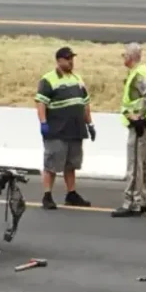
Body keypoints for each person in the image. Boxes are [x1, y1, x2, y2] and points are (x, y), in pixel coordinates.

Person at [35, 46, 95, 210]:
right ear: (59, 60)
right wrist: (43, 123)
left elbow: (85, 103)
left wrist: (90, 124)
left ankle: (71, 193)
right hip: (57, 131)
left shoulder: (77, 79)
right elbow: (41, 103)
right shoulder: (48, 80)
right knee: (52, 164)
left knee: (71, 164)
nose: (71, 62)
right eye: (68, 59)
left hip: (75, 130)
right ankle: (47, 195)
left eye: (72, 59)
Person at [112, 43, 146, 217]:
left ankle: (132, 202)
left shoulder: (138, 74)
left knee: (134, 164)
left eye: (125, 55)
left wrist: (139, 115)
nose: (123, 57)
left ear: (131, 57)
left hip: (140, 125)